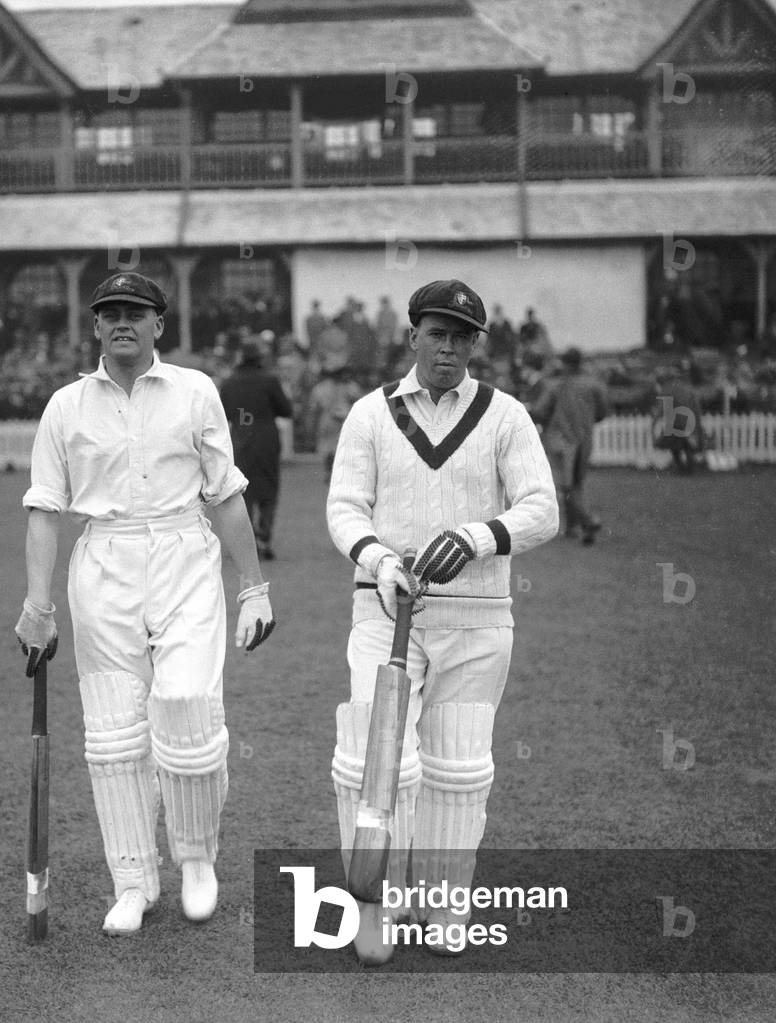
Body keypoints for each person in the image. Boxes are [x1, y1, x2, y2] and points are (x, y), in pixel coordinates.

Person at [15, 272, 276, 937]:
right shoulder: (66, 406)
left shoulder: (195, 392)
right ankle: (133, 880)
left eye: (136, 312)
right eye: (110, 313)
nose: (122, 321)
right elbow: (45, 510)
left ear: (160, 323)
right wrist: (38, 604)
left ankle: (196, 859)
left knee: (187, 702)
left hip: (185, 553)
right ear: (96, 325)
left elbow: (225, 494)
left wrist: (254, 585)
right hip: (103, 563)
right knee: (114, 736)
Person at [326, 278, 558, 964]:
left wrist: (480, 536)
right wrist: (376, 556)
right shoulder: (370, 414)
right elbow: (344, 506)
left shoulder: (505, 415)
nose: (448, 346)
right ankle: (374, 900)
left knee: (458, 766)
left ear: (475, 344)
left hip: (479, 617)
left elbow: (542, 508)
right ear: (413, 336)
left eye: (462, 336)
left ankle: (443, 904)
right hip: (384, 607)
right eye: (437, 332)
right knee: (374, 760)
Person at [219, 341, 293, 560]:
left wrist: (244, 417)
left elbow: (225, 413)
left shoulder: (229, 382)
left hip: (241, 437)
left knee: (243, 492)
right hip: (266, 437)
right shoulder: (269, 380)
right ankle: (264, 537)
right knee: (268, 490)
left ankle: (246, 541)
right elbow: (285, 410)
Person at [532, 347, 608, 542]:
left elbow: (540, 411)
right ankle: (572, 528)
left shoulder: (557, 385)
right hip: (585, 439)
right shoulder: (595, 385)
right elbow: (602, 412)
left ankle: (588, 520)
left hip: (560, 440)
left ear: (565, 363)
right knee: (576, 483)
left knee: (565, 486)